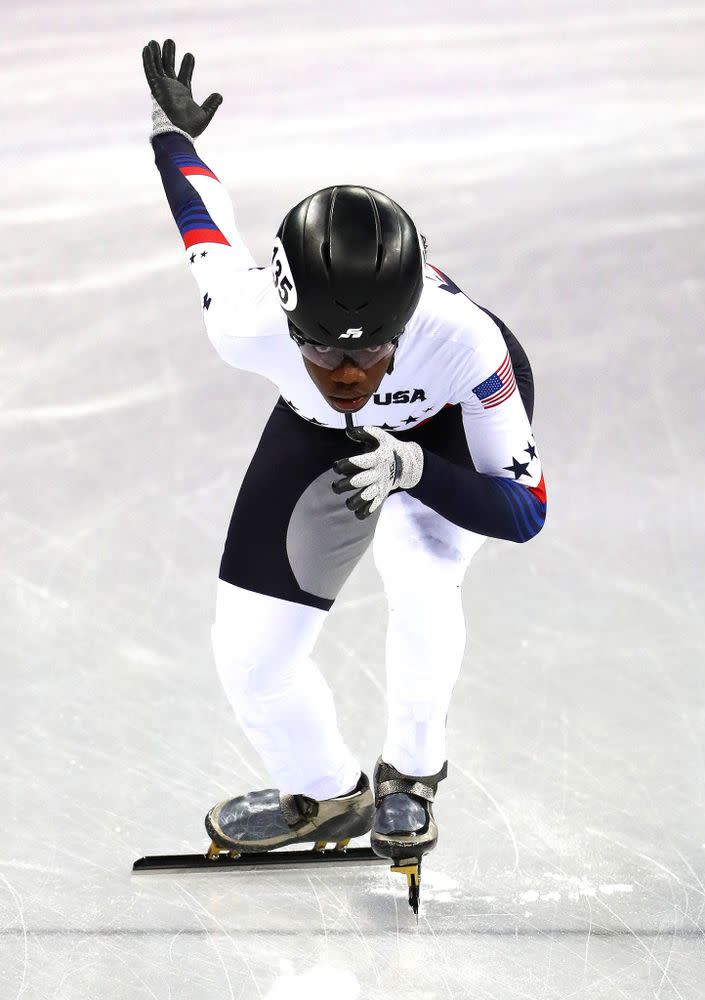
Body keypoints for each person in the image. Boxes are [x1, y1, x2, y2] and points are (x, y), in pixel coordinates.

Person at [142, 39, 547, 882]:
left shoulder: (464, 343)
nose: (352, 375)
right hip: (315, 434)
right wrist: (173, 137)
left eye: (373, 352)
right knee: (250, 655)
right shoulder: (244, 319)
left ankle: (413, 770)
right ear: (289, 327)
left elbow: (526, 512)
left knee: (420, 569)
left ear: (411, 323)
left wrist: (416, 472)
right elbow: (205, 232)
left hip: (441, 429)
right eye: (324, 353)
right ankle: (327, 794)